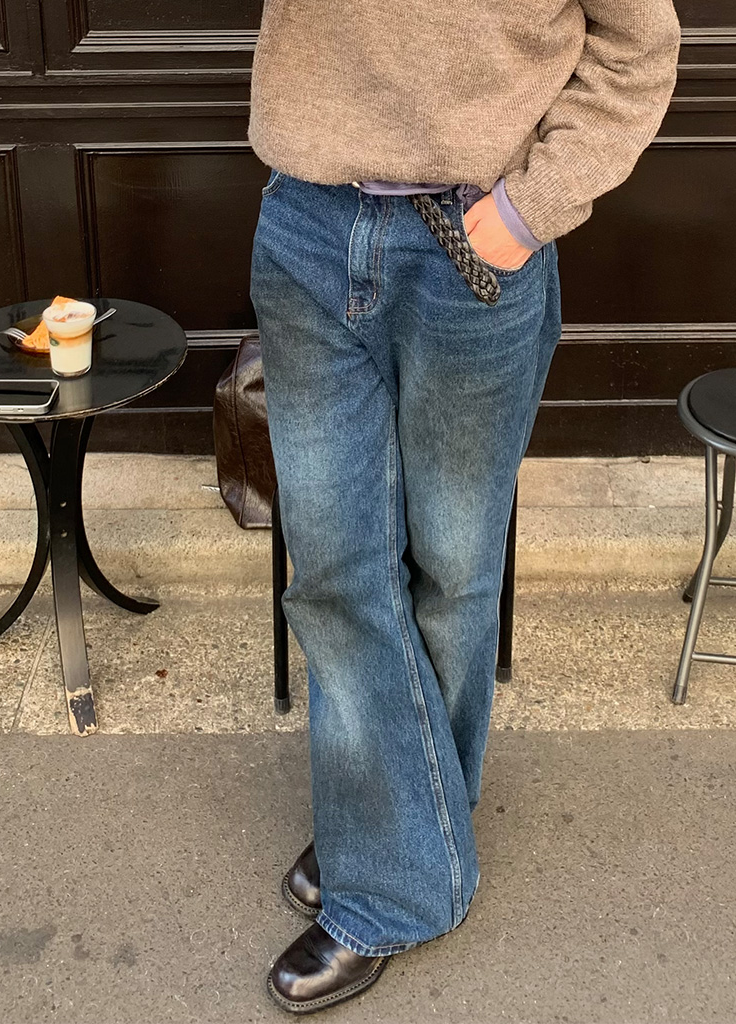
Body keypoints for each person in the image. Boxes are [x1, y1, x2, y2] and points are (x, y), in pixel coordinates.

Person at [248, 0, 681, 1014]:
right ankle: (398, 861)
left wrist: (532, 208)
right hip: (309, 222)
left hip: (472, 239)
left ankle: (393, 837)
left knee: (451, 567)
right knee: (334, 570)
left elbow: (639, 46)